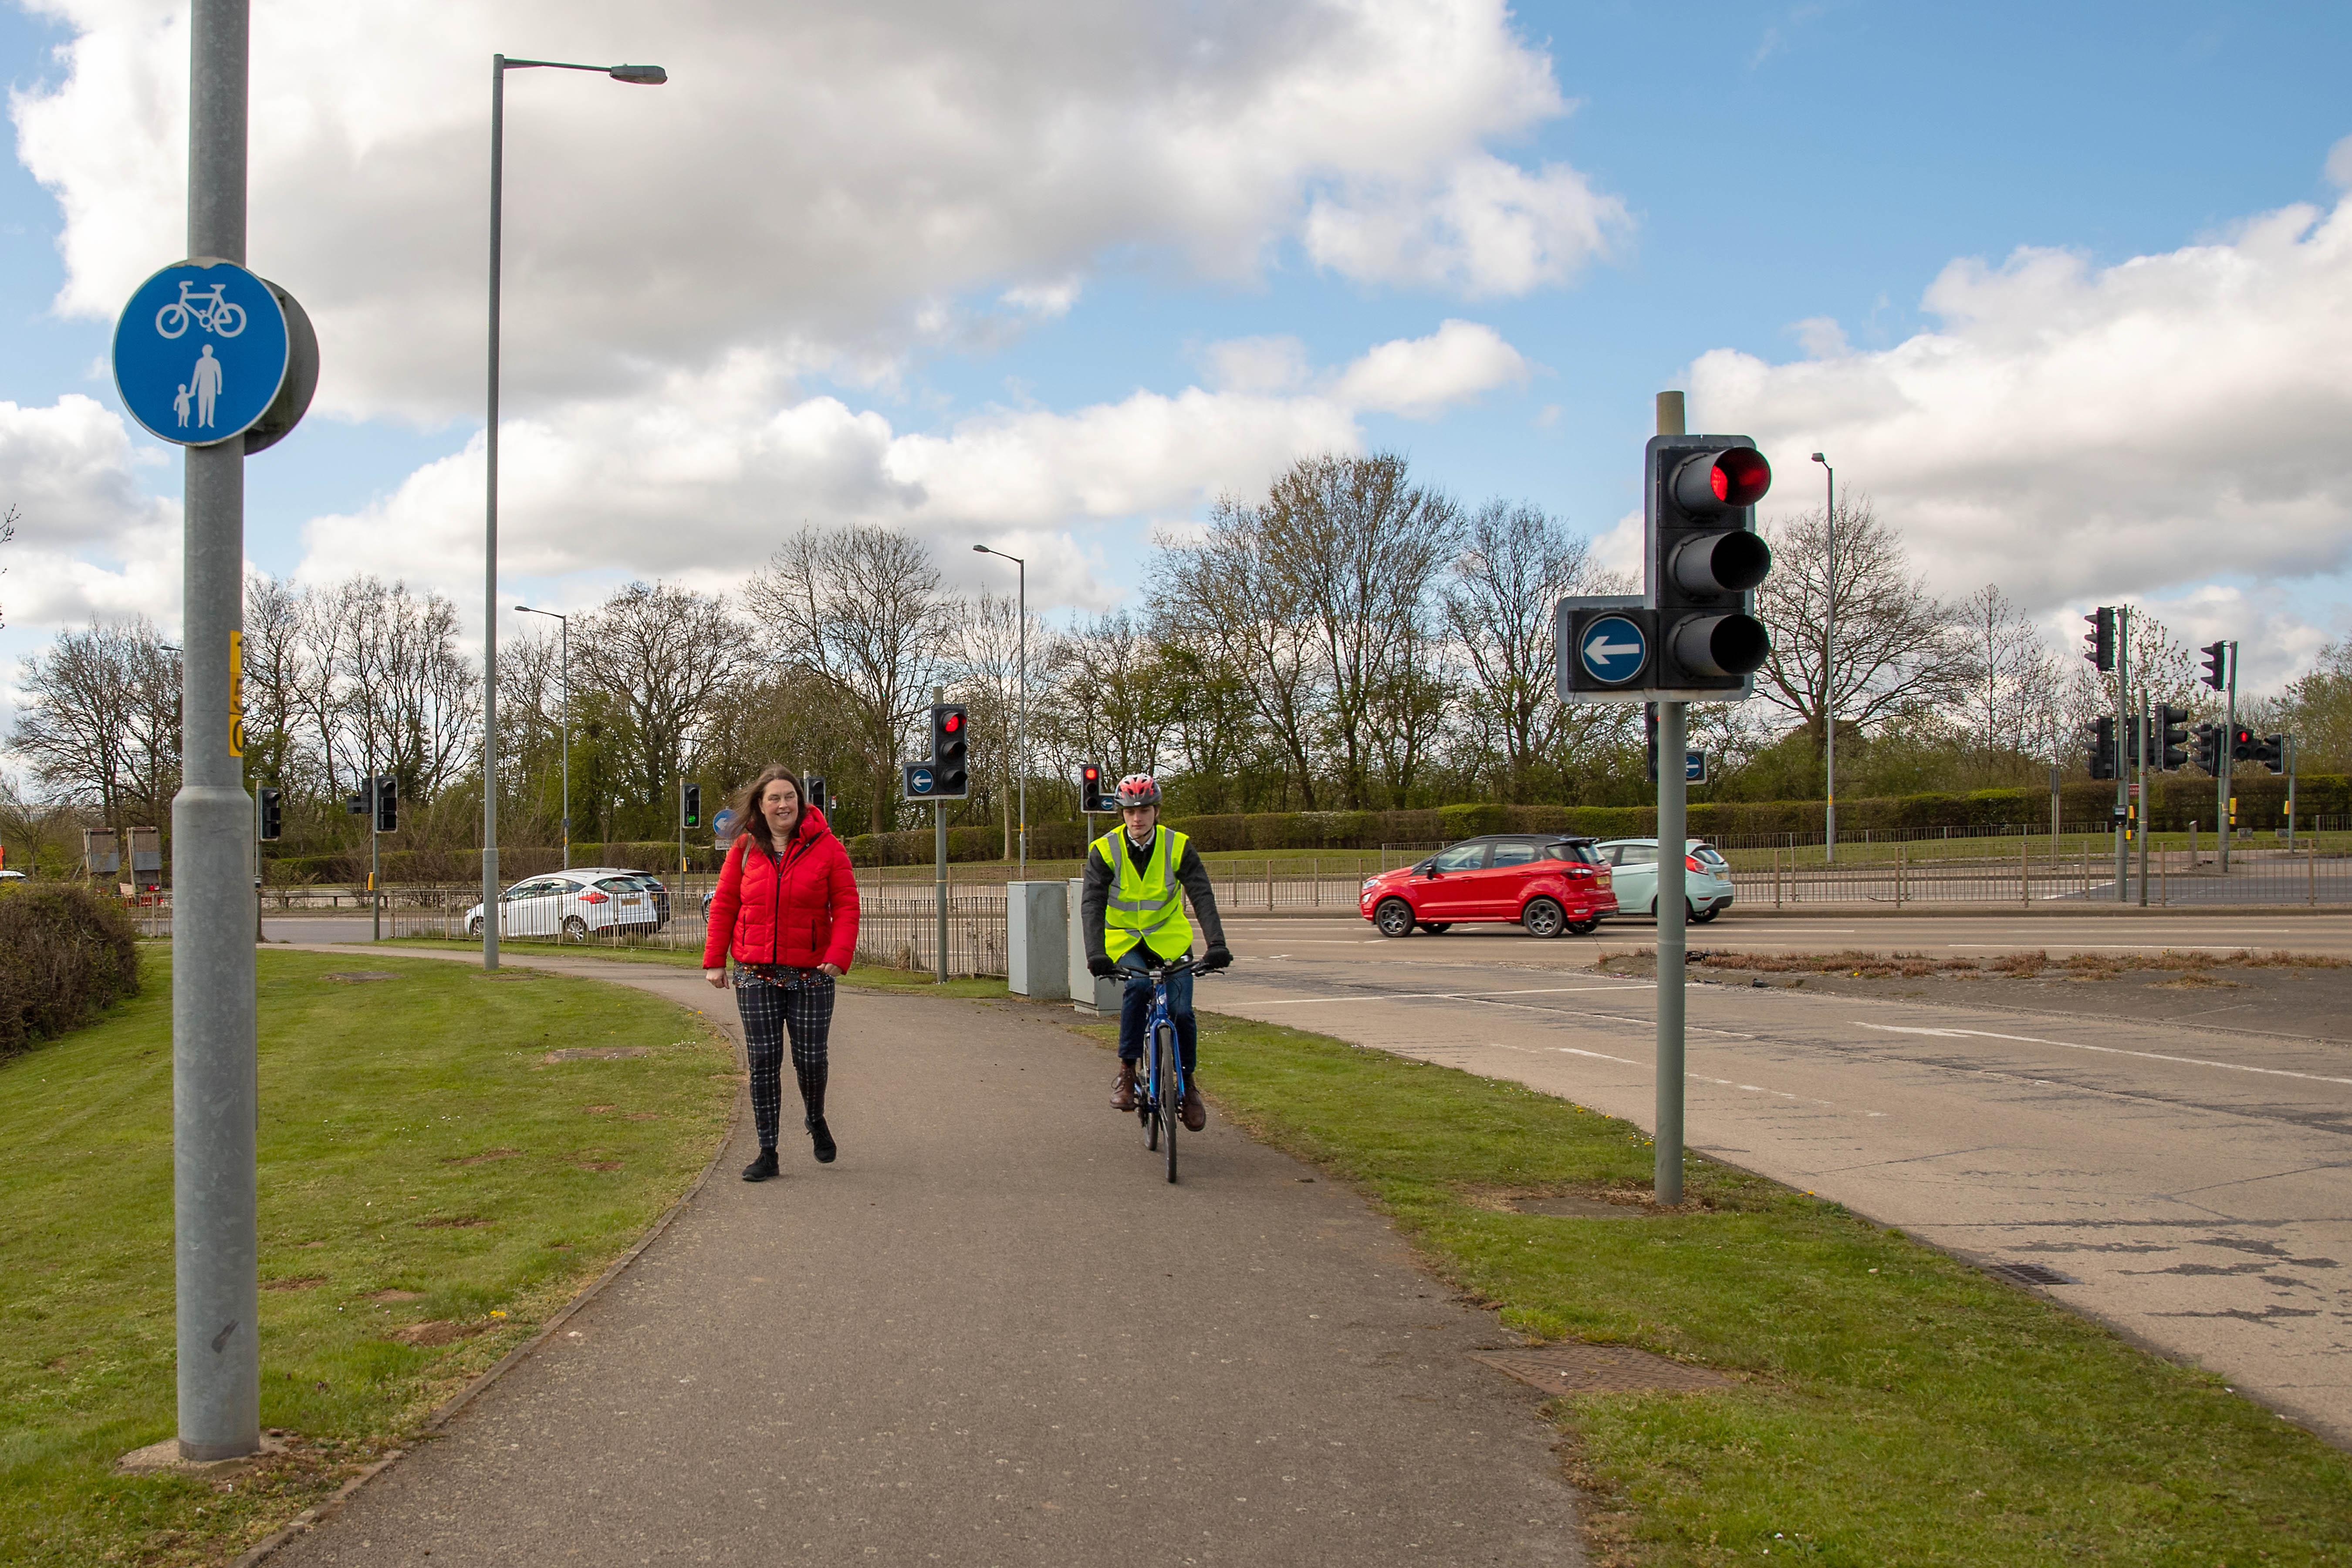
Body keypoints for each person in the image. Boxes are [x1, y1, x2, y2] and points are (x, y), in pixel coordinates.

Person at [703, 765, 860, 1182]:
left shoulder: (828, 848)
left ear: (800, 802)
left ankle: (815, 1117)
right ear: (760, 804)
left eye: (789, 796)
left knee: (811, 1061)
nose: (783, 804)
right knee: (764, 1062)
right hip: (755, 973)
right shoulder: (743, 849)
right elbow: (724, 905)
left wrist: (838, 955)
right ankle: (767, 1151)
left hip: (812, 976)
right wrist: (715, 960)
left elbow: (846, 904)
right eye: (774, 798)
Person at [1079, 774, 1230, 1129]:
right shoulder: (1105, 849)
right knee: (1138, 988)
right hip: (1125, 941)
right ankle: (1127, 1072)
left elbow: (1201, 894)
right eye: (1131, 811)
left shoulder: (1178, 846)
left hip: (1169, 939)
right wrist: (1095, 953)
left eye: (1145, 810)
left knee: (1181, 1011)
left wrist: (1217, 944)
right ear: (1121, 813)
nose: (1138, 818)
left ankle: (1189, 1086)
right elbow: (1092, 904)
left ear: (1157, 811)